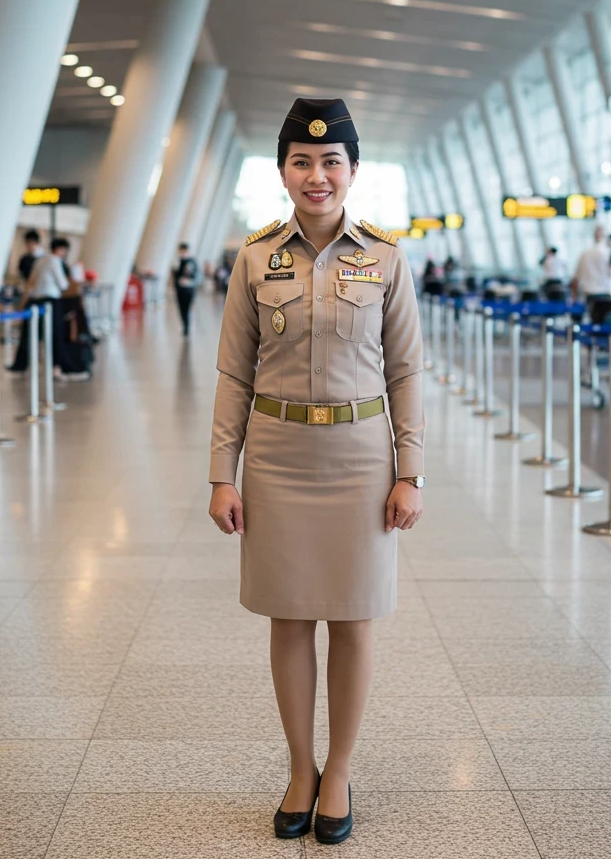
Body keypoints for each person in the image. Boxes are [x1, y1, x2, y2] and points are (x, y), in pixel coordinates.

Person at [208, 98, 424, 846]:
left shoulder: (388, 259)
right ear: (283, 171)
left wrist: (411, 473)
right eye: (302, 160)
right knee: (291, 616)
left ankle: (340, 770)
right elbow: (234, 374)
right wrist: (220, 475)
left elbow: (406, 374)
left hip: (362, 461)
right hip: (277, 457)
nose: (317, 174)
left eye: (331, 161)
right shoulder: (254, 257)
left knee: (355, 619)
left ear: (353, 170)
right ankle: (300, 768)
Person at [9, 236, 69, 372]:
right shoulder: (55, 261)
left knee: (29, 334)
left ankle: (21, 364)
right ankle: (56, 367)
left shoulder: (40, 260)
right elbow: (63, 284)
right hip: (50, 301)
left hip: (34, 300)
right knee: (55, 334)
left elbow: (31, 281)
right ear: (60, 249)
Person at [172, 242, 198, 336]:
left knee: (187, 308)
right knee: (181, 308)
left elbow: (195, 275)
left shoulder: (191, 261)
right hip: (180, 289)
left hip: (189, 289)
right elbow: (175, 275)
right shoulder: (178, 262)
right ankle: (185, 325)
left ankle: (187, 326)